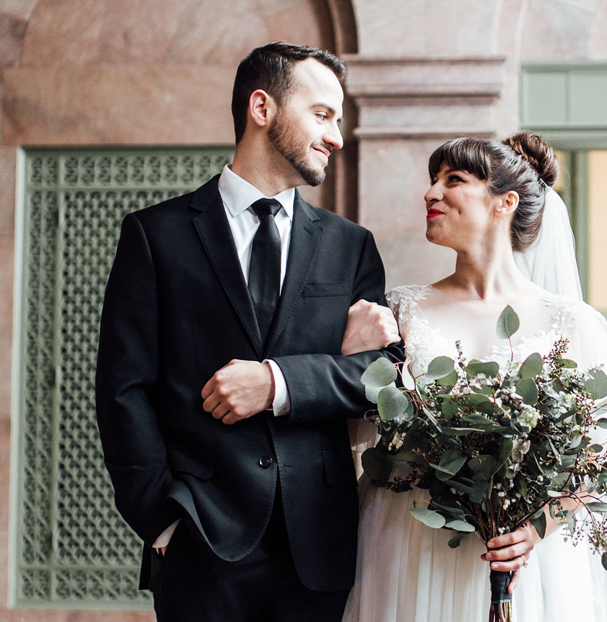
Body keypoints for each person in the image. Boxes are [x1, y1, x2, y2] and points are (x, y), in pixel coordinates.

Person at [95, 42, 403, 622]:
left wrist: (276, 381)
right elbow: (122, 390)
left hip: (320, 545)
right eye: (323, 114)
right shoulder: (154, 236)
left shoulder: (350, 245)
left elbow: (384, 378)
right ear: (262, 108)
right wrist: (162, 520)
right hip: (199, 544)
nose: (337, 136)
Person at [342, 132, 607, 622]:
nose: (431, 193)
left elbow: (606, 459)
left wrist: (535, 528)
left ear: (504, 203)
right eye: (431, 181)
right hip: (411, 539)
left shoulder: (571, 322)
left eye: (454, 180)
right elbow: (358, 440)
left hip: (525, 555)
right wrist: (352, 357)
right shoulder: (398, 310)